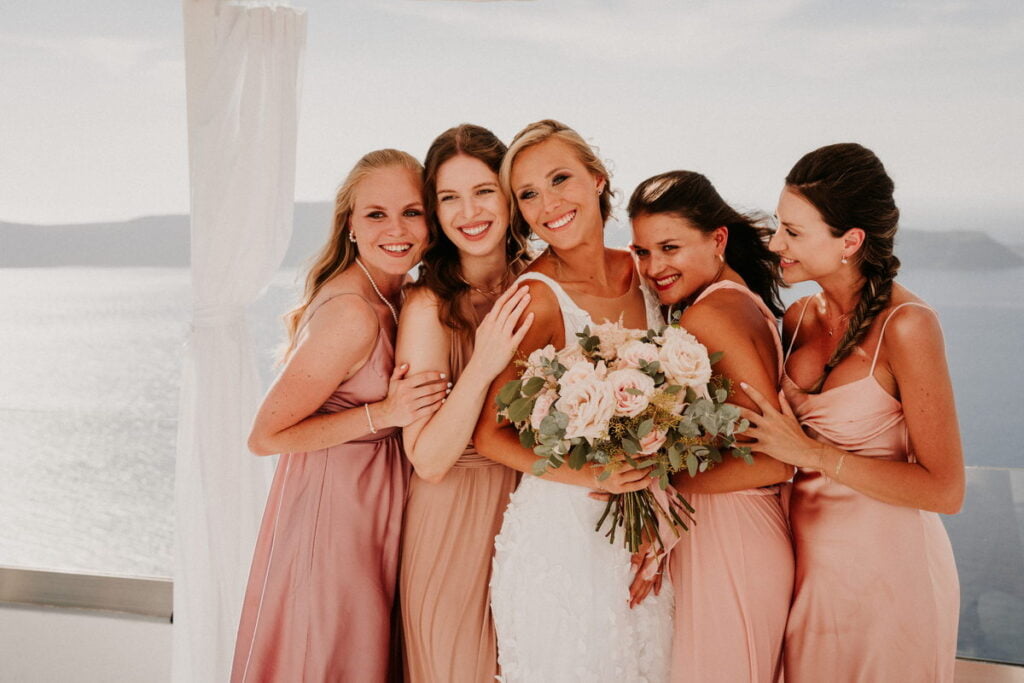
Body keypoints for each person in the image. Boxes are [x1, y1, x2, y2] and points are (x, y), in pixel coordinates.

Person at [739, 142, 963, 682]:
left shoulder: (908, 327)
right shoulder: (796, 318)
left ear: (851, 241)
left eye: (794, 232)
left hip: (893, 582)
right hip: (809, 577)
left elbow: (945, 490)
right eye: (779, 225)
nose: (776, 243)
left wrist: (812, 454)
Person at [231, 149, 447, 682]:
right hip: (332, 519)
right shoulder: (353, 313)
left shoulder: (401, 295)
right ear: (350, 224)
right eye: (376, 214)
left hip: (372, 508)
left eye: (411, 212)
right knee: (327, 658)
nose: (396, 229)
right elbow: (264, 436)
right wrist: (385, 412)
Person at [472, 119, 673, 681]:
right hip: (562, 537)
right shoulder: (535, 298)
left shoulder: (645, 272)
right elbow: (489, 435)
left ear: (597, 178)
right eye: (528, 194)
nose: (549, 204)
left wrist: (656, 514)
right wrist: (595, 475)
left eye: (560, 179)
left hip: (643, 523)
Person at [627, 170, 794, 682]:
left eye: (670, 248)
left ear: (717, 239)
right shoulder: (738, 300)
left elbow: (775, 461)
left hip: (732, 537)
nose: (654, 267)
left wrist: (655, 479)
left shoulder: (711, 315)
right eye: (642, 252)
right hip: (733, 530)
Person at [396, 124, 533, 682]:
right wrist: (483, 362)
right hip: (453, 523)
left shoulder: (540, 284)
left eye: (482, 191)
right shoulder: (428, 307)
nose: (469, 212)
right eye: (449, 197)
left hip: (536, 517)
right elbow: (428, 459)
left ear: (508, 196)